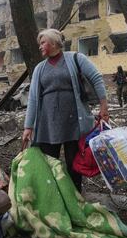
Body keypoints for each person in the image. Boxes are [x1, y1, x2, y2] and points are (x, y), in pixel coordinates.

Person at [22, 29, 109, 193]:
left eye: (43, 43)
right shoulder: (40, 68)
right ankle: (53, 197)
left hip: (74, 122)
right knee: (48, 164)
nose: (40, 47)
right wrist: (28, 126)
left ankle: (75, 197)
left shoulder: (75, 58)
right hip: (48, 124)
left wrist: (104, 107)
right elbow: (33, 98)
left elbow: (96, 78)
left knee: (73, 164)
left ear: (54, 42)